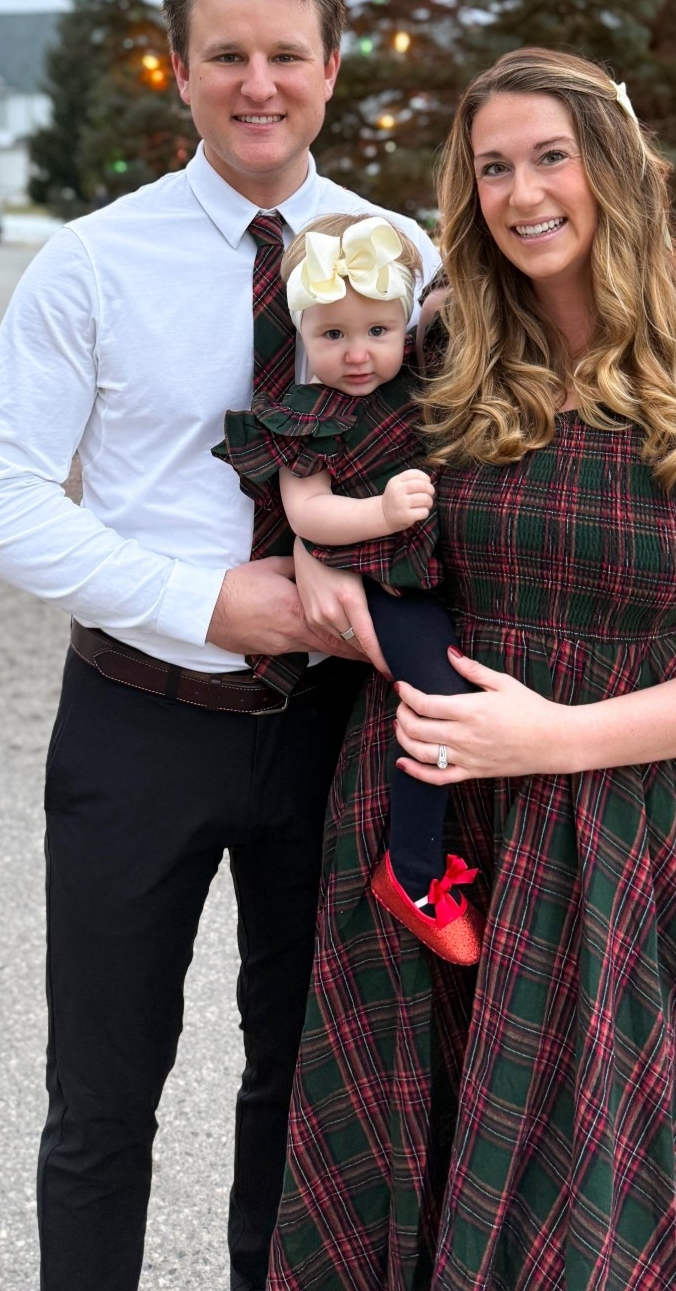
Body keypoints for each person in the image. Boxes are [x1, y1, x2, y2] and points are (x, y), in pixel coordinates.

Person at [270, 47, 676, 1291]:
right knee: (402, 1164)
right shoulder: (436, 351)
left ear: (615, 167)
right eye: (491, 168)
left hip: (623, 824)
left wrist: (559, 737)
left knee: (592, 1199)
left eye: (551, 156)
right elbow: (315, 498)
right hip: (426, 812)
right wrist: (325, 574)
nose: (523, 192)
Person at [0, 0, 438, 1291]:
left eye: (287, 54)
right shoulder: (94, 264)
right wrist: (204, 600)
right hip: (139, 724)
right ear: (180, 70)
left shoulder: (412, 261)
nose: (257, 83)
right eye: (228, 55)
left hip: (338, 734)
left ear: (335, 70)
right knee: (101, 1104)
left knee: (302, 1092)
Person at [213, 211, 485, 967]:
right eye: (332, 336)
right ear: (303, 334)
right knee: (439, 698)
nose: (357, 354)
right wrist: (380, 511)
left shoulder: (421, 387)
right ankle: (415, 873)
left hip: (440, 573)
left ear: (404, 327)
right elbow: (307, 513)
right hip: (385, 584)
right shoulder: (307, 420)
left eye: (376, 331)